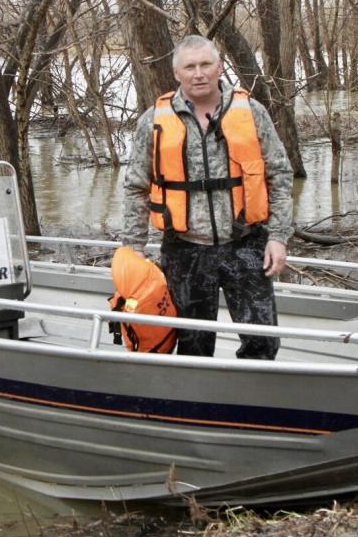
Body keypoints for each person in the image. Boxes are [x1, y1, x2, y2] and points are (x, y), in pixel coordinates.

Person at [121, 35, 294, 360]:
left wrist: (279, 237)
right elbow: (135, 187)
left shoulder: (251, 112)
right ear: (177, 73)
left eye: (206, 64)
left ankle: (254, 388)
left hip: (246, 244)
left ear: (220, 66)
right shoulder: (154, 120)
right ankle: (197, 390)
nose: (198, 73)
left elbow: (280, 175)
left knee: (263, 342)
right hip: (184, 250)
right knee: (193, 345)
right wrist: (133, 248)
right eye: (190, 67)